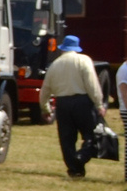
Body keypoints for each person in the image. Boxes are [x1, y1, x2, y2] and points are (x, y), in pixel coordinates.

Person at [41, 34, 106, 178]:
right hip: (82, 102)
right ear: (76, 48)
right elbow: (92, 85)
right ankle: (81, 157)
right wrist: (99, 103)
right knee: (91, 135)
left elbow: (45, 89)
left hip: (62, 103)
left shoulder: (54, 65)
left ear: (63, 48)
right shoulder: (84, 60)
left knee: (67, 139)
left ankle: (74, 168)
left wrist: (45, 108)